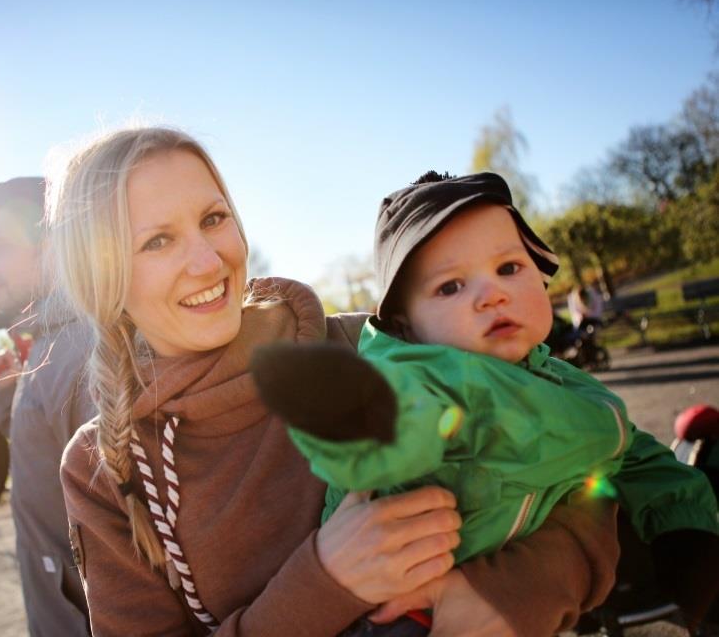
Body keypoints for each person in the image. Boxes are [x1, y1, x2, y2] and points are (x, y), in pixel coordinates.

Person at [51, 127, 624, 637]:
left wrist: (515, 590)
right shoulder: (105, 467)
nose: (208, 260)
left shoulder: (380, 349)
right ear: (104, 280)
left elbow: (587, 471)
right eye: (157, 241)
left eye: (213, 218)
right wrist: (324, 582)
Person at [251, 171, 719, 631]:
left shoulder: (563, 380)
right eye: (450, 286)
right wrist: (360, 421)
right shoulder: (427, 379)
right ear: (406, 325)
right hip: (396, 616)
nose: (491, 294)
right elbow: (409, 425)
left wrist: (686, 531)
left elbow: (632, 454)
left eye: (508, 268)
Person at [0, 177, 93, 636]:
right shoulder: (49, 345)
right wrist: (8, 402)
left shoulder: (82, 352)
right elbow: (55, 466)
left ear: (53, 244)